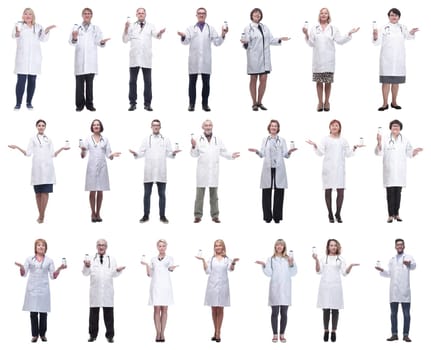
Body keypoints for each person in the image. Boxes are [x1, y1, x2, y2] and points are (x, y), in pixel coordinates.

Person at [8, 119, 70, 223]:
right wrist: (17, 147)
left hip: (48, 169)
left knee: (45, 192)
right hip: (37, 170)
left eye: (43, 125)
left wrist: (62, 148)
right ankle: (40, 215)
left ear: (45, 127)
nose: (41, 127)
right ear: (36, 127)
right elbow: (28, 153)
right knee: (38, 194)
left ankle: (42, 216)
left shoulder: (49, 139)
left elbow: (52, 154)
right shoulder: (32, 139)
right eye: (39, 125)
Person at [306, 119, 363, 223]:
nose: (334, 127)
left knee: (340, 192)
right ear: (329, 128)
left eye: (336, 125)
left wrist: (354, 148)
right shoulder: (325, 139)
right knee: (328, 191)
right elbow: (320, 153)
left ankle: (338, 213)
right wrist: (315, 146)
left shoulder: (343, 140)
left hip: (339, 169)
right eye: (332, 125)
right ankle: (330, 213)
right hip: (328, 169)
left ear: (339, 128)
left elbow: (348, 154)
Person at [302, 8, 359, 111]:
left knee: (328, 82)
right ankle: (320, 102)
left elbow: (340, 41)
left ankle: (327, 102)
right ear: (319, 15)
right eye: (322, 13)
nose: (323, 15)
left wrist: (349, 33)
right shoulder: (314, 28)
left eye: (325, 13)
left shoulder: (333, 28)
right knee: (319, 82)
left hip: (328, 60)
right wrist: (306, 34)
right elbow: (311, 43)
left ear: (328, 15)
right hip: (318, 60)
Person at [129, 119, 181, 224]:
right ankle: (145, 215)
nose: (156, 127)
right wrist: (135, 154)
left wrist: (174, 153)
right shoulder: (146, 139)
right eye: (154, 125)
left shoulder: (165, 139)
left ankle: (162, 216)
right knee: (147, 194)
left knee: (162, 194)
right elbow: (141, 153)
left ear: (160, 127)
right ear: (151, 127)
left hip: (161, 171)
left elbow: (169, 154)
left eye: (158, 125)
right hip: (149, 170)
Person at [15, 239, 66, 342]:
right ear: (35, 247)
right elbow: (24, 274)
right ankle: (34, 335)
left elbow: (52, 276)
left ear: (45, 248)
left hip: (43, 290)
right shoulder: (29, 259)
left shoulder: (49, 260)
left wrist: (59, 269)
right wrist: (21, 267)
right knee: (33, 313)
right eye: (38, 245)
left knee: (43, 313)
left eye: (43, 245)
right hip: (32, 290)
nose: (41, 247)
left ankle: (42, 334)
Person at [178, 7, 228, 112]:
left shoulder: (210, 28)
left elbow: (217, 43)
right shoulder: (190, 28)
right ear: (196, 15)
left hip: (206, 61)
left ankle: (205, 104)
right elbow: (185, 42)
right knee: (192, 83)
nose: (201, 15)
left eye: (203, 13)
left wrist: (223, 34)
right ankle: (191, 104)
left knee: (206, 84)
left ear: (206, 15)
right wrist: (183, 36)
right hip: (194, 61)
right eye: (199, 13)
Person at [191, 120, 240, 223]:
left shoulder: (217, 139)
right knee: (199, 196)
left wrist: (231, 155)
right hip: (202, 172)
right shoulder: (197, 139)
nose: (208, 127)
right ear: (202, 127)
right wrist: (194, 146)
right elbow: (194, 155)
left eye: (210, 125)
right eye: (206, 125)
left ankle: (215, 216)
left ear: (212, 126)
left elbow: (223, 152)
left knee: (214, 196)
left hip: (213, 171)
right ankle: (198, 216)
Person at [241, 8, 290, 111]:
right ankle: (254, 103)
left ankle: (260, 102)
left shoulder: (265, 27)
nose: (257, 15)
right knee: (253, 79)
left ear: (261, 16)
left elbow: (270, 40)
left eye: (259, 14)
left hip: (265, 59)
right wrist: (245, 43)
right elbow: (246, 41)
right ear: (252, 15)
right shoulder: (248, 28)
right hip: (254, 58)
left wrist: (280, 39)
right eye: (255, 13)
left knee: (263, 80)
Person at [248, 120, 297, 223]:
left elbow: (285, 155)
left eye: (275, 126)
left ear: (278, 128)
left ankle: (277, 217)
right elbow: (262, 154)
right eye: (272, 126)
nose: (273, 127)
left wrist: (290, 152)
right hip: (268, 167)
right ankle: (267, 217)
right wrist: (257, 151)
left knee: (279, 192)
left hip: (279, 168)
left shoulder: (282, 140)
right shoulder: (265, 139)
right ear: (269, 128)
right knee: (266, 192)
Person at [375, 120, 423, 222]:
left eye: (397, 126)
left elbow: (409, 153)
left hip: (400, 171)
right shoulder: (385, 139)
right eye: (393, 126)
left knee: (398, 194)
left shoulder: (405, 140)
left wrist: (415, 151)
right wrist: (378, 142)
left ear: (400, 128)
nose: (395, 128)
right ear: (390, 128)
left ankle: (397, 214)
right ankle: (390, 215)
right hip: (389, 171)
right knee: (390, 194)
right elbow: (379, 153)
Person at [312, 239, 359, 342]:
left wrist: (350, 266)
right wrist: (316, 260)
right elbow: (318, 271)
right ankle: (326, 331)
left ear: (337, 247)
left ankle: (333, 331)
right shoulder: (323, 258)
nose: (333, 247)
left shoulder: (340, 259)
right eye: (331, 245)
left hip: (336, 287)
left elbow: (344, 273)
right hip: (325, 287)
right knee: (326, 309)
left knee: (335, 310)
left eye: (335, 245)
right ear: (328, 247)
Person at [373, 8, 418, 111]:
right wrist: (375, 36)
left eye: (396, 15)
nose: (394, 17)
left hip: (398, 59)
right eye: (392, 15)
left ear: (399, 17)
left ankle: (394, 102)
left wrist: (411, 32)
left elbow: (408, 36)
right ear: (388, 16)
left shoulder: (403, 27)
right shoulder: (384, 27)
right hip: (386, 59)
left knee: (396, 82)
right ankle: (384, 104)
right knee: (386, 82)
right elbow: (376, 42)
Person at [196, 239, 239, 342]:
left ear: (223, 247)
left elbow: (231, 269)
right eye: (216, 245)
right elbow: (207, 271)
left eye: (220, 245)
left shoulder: (227, 259)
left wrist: (233, 263)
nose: (218, 247)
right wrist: (202, 260)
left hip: (223, 286)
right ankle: (215, 331)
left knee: (220, 309)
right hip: (212, 286)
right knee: (213, 309)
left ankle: (218, 332)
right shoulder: (211, 259)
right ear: (214, 247)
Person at [83, 239, 125, 343]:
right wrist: (87, 266)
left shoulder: (112, 259)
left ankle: (110, 336)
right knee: (93, 316)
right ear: (96, 247)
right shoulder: (91, 259)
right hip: (95, 292)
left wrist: (118, 270)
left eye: (103, 245)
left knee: (109, 315)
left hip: (107, 291)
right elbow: (85, 273)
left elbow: (113, 274)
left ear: (106, 247)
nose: (101, 247)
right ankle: (92, 335)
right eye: (99, 245)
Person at [123, 8, 165, 111]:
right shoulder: (131, 26)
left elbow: (156, 36)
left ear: (145, 14)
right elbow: (125, 40)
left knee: (148, 82)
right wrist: (125, 28)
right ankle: (132, 103)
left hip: (146, 58)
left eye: (143, 13)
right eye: (139, 13)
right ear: (136, 14)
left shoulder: (151, 26)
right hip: (134, 58)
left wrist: (160, 33)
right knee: (132, 82)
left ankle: (147, 104)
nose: (141, 14)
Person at [12, 8, 55, 110]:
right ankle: (18, 103)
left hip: (34, 59)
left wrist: (47, 30)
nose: (28, 16)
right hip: (22, 59)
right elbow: (14, 35)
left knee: (32, 81)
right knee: (21, 82)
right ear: (23, 16)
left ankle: (29, 102)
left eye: (30, 14)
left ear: (33, 16)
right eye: (26, 14)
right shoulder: (19, 25)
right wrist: (17, 33)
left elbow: (43, 39)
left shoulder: (38, 27)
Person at [255, 239, 297, 343]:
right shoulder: (271, 259)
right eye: (277, 245)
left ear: (284, 247)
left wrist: (291, 264)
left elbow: (294, 273)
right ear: (275, 247)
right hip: (275, 288)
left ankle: (282, 334)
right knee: (274, 312)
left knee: (284, 313)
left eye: (281, 245)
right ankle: (274, 334)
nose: (279, 246)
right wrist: (264, 265)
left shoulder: (289, 258)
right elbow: (269, 273)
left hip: (286, 288)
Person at [375, 238, 416, 342]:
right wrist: (382, 270)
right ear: (395, 247)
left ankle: (406, 335)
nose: (399, 246)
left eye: (401, 244)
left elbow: (414, 266)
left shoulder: (408, 257)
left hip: (405, 290)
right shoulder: (392, 260)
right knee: (393, 314)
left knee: (406, 314)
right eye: (398, 245)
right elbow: (389, 273)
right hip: (394, 291)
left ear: (404, 246)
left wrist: (409, 264)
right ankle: (394, 334)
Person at [69, 8, 110, 112]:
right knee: (79, 86)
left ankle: (89, 105)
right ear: (82, 15)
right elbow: (71, 42)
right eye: (85, 13)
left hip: (91, 61)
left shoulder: (96, 28)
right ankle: (79, 105)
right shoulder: (76, 27)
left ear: (91, 15)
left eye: (89, 14)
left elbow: (99, 42)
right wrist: (74, 38)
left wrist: (102, 42)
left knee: (89, 86)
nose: (87, 15)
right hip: (80, 61)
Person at [80, 119, 121, 223]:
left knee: (100, 190)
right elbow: (83, 156)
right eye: (94, 125)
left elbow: (108, 154)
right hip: (91, 167)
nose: (96, 126)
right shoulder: (88, 139)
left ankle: (98, 213)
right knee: (92, 191)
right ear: (92, 127)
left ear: (101, 126)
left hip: (102, 167)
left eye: (98, 125)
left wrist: (112, 155)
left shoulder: (105, 139)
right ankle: (92, 213)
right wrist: (83, 150)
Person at [141, 239, 179, 342]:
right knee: (156, 309)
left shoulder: (170, 258)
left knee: (165, 309)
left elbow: (171, 268)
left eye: (163, 246)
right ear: (157, 247)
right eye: (160, 246)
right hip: (156, 286)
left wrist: (172, 267)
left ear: (166, 247)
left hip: (166, 286)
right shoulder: (153, 259)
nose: (161, 248)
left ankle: (163, 333)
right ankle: (157, 332)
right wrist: (147, 265)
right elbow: (150, 274)